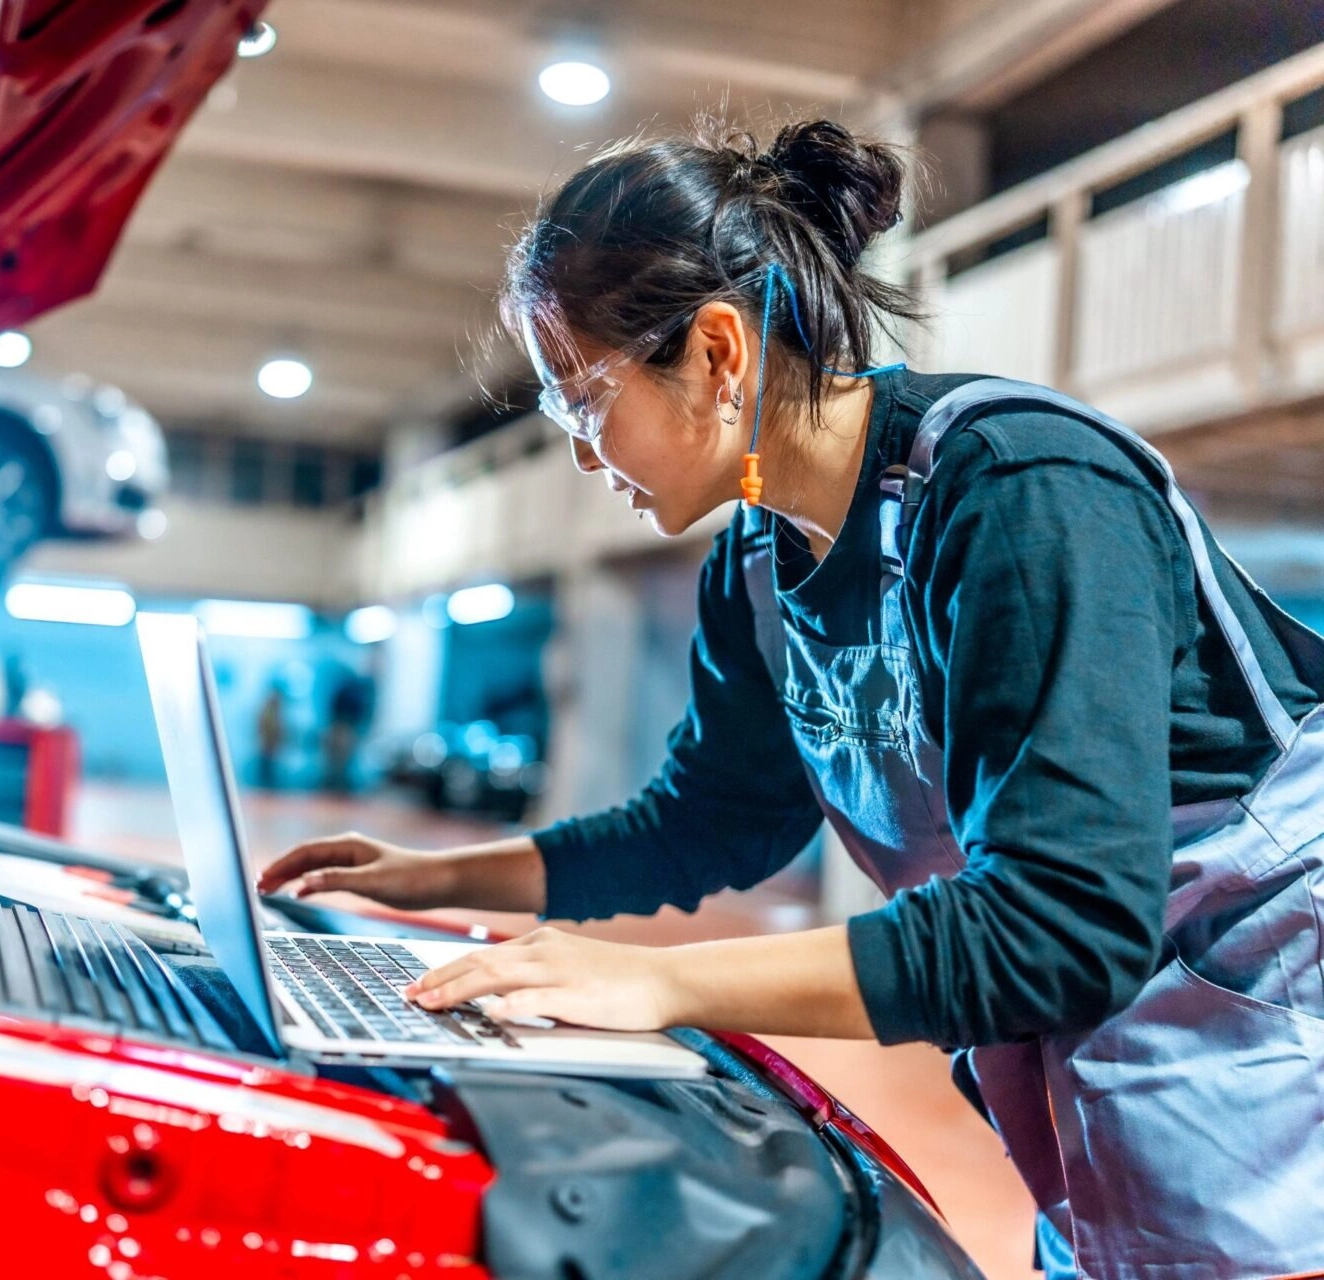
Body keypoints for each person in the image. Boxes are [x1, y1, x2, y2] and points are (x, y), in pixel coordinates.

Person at [259, 119, 1324, 1279]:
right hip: (1121, 1066)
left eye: (581, 401)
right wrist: (433, 877)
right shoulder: (760, 565)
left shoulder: (1020, 488)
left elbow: (1061, 922)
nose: (578, 452)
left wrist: (659, 981)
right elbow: (710, 820)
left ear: (718, 352)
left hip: (1267, 1042)